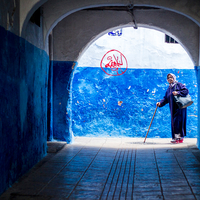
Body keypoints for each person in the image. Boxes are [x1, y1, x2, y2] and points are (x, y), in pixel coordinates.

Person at [156, 73, 189, 144]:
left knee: (177, 122)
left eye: (171, 77)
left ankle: (177, 138)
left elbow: (186, 91)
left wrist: (178, 92)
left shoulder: (179, 85)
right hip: (173, 109)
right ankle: (179, 138)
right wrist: (160, 103)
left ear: (174, 78)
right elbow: (165, 98)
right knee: (175, 122)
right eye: (168, 78)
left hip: (180, 108)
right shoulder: (169, 88)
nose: (169, 79)